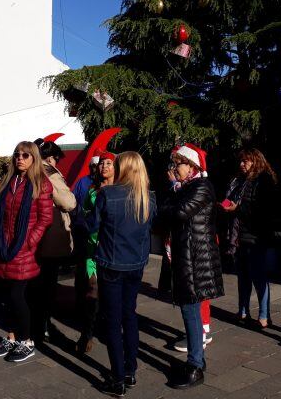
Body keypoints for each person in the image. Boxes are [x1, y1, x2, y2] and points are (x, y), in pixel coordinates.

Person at [87, 151, 156, 397]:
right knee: (130, 315)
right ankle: (130, 370)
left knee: (113, 321)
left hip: (111, 264)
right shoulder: (148, 197)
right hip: (135, 264)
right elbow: (148, 228)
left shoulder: (108, 194)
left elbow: (92, 225)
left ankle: (118, 379)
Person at [163, 143, 223, 390]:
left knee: (190, 310)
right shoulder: (188, 187)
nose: (175, 168)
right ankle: (197, 359)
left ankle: (195, 365)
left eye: (179, 164)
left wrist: (171, 197)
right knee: (191, 311)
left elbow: (177, 213)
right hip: (189, 256)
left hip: (195, 259)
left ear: (192, 166)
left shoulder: (200, 187)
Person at [0, 142, 53, 363]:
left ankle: (26, 341)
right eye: (17, 154)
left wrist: (29, 241)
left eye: (25, 155)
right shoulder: (9, 181)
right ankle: (12, 336)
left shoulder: (41, 184)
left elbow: (45, 218)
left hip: (23, 249)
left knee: (17, 295)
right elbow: (0, 213)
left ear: (34, 158)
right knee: (7, 296)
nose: (20, 158)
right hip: (5, 247)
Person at [220, 147, 279, 328]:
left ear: (256, 161)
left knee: (259, 276)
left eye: (246, 161)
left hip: (256, 235)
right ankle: (243, 310)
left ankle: (264, 315)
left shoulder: (264, 181)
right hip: (239, 236)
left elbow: (262, 211)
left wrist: (237, 209)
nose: (242, 164)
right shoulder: (238, 180)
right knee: (243, 276)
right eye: (241, 161)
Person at [32, 140, 77, 342]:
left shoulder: (24, 170)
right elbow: (68, 202)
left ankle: (31, 323)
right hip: (48, 236)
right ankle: (42, 326)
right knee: (47, 283)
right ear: (51, 158)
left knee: (32, 283)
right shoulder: (48, 172)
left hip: (30, 236)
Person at [74, 150, 115, 354]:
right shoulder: (91, 189)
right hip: (92, 248)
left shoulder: (119, 190)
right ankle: (87, 333)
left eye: (108, 163)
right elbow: (84, 215)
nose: (104, 167)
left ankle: (110, 329)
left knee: (110, 293)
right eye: (101, 163)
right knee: (92, 290)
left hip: (113, 250)